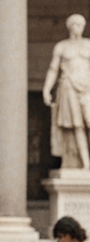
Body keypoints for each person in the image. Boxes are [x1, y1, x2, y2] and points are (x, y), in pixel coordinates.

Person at [43, 14, 90, 170]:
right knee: (77, 126)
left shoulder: (88, 44)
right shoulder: (62, 46)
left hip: (88, 88)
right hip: (69, 85)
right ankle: (86, 164)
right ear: (69, 26)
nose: (79, 27)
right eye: (76, 24)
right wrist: (46, 89)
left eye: (81, 24)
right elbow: (53, 69)